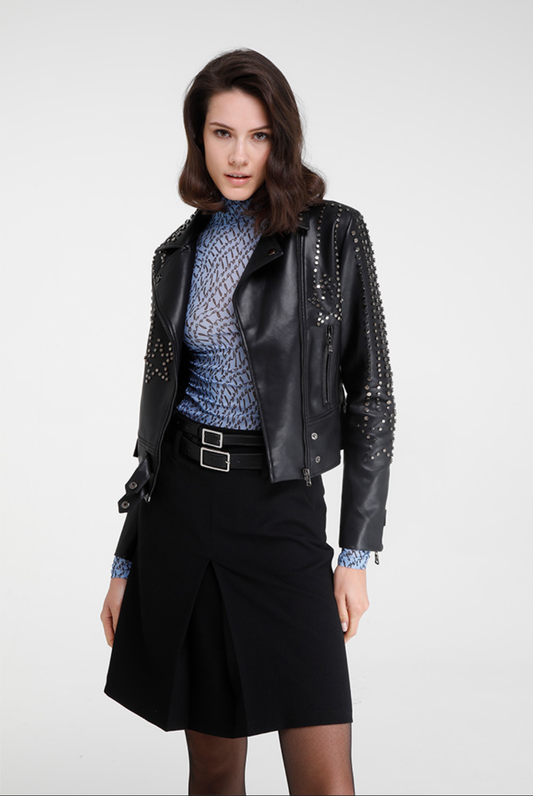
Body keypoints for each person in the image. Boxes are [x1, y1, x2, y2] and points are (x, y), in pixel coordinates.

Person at [100, 48, 395, 796]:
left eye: (258, 136)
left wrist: (355, 555)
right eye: (222, 133)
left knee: (325, 781)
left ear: (281, 140)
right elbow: (156, 423)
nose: (238, 155)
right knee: (213, 770)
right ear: (198, 138)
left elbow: (371, 395)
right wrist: (126, 560)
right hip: (181, 514)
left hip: (279, 509)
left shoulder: (331, 236)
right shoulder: (178, 253)